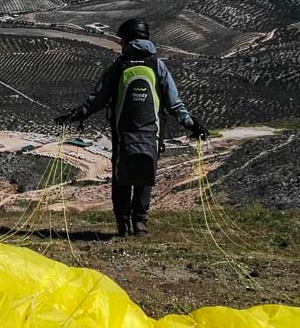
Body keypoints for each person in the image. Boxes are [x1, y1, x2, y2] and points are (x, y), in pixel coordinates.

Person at [55, 17, 208, 237]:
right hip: (151, 134)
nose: (120, 43)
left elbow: (97, 99)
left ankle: (122, 223)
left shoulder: (118, 66)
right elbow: (174, 104)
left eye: (121, 40)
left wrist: (75, 115)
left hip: (123, 134)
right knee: (145, 175)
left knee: (121, 177)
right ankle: (140, 223)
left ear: (127, 39)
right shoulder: (158, 66)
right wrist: (192, 124)